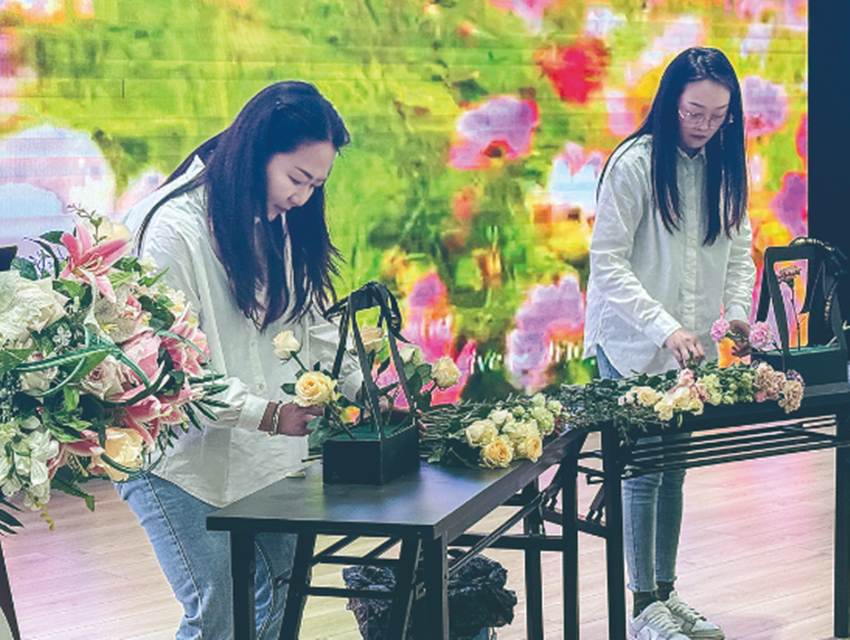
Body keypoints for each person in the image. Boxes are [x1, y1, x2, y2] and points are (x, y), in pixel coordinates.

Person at [120, 81, 361, 639]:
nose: (303, 198)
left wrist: (364, 386)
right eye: (297, 178)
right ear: (256, 152)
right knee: (220, 617)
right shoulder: (170, 229)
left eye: (316, 185)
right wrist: (268, 414)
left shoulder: (280, 221)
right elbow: (172, 371)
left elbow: (311, 324)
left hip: (266, 458)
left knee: (283, 599)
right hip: (177, 461)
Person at [583, 48, 755, 640]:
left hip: (693, 349)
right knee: (643, 473)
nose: (704, 125)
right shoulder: (634, 164)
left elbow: (739, 254)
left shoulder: (726, 166)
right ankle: (641, 607)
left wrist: (736, 316)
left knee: (675, 472)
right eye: (693, 112)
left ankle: (665, 591)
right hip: (633, 343)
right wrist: (664, 326)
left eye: (718, 115)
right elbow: (607, 264)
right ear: (669, 103)